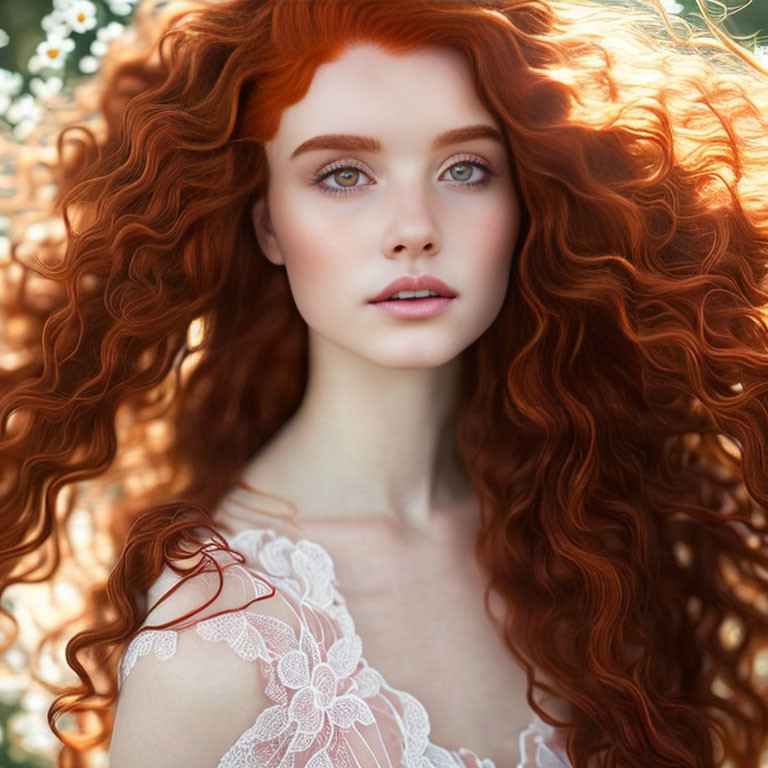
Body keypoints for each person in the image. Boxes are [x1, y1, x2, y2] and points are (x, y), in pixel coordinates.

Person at [0, 0, 767, 766]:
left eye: (465, 168)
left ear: (528, 196)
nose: (414, 226)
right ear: (267, 222)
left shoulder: (595, 528)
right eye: (342, 174)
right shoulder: (210, 651)